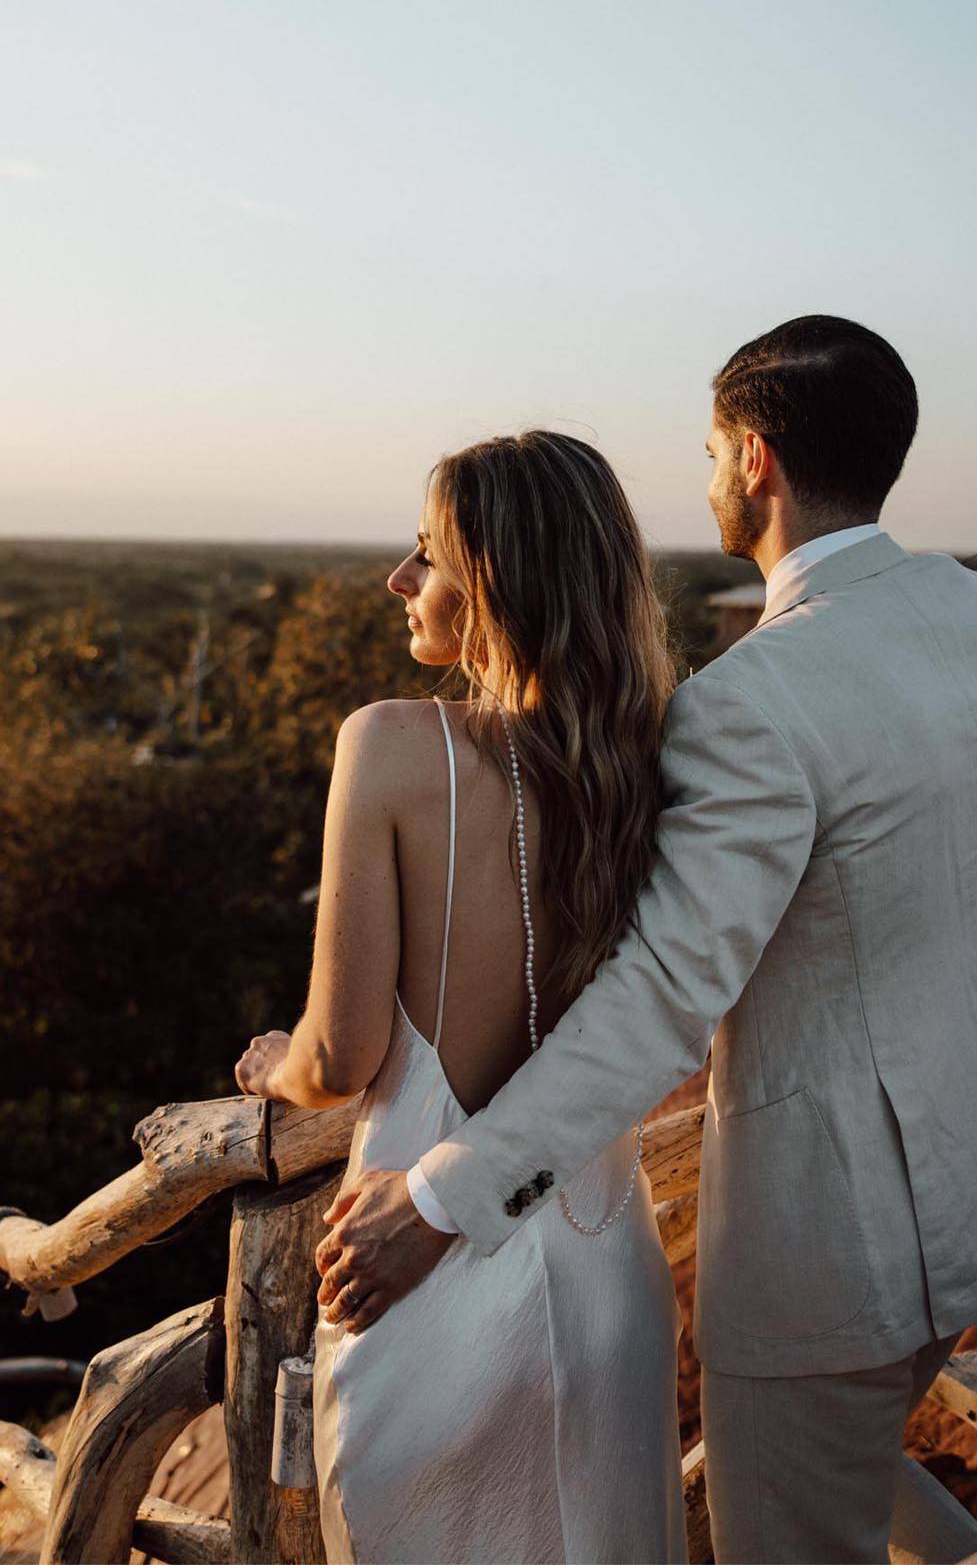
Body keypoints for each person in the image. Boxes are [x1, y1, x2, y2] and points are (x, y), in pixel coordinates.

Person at [322, 316, 977, 1564]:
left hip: (831, 1254)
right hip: (973, 1188)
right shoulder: (964, 610)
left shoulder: (752, 703)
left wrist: (441, 1199)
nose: (706, 475)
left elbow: (662, 993)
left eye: (711, 449)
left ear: (753, 459)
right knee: (855, 1474)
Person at [235, 430, 688, 1563]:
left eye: (426, 554)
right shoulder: (658, 759)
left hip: (419, 1285)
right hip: (609, 1291)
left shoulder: (389, 744)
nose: (400, 579)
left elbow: (339, 1059)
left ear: (493, 581)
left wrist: (271, 1066)